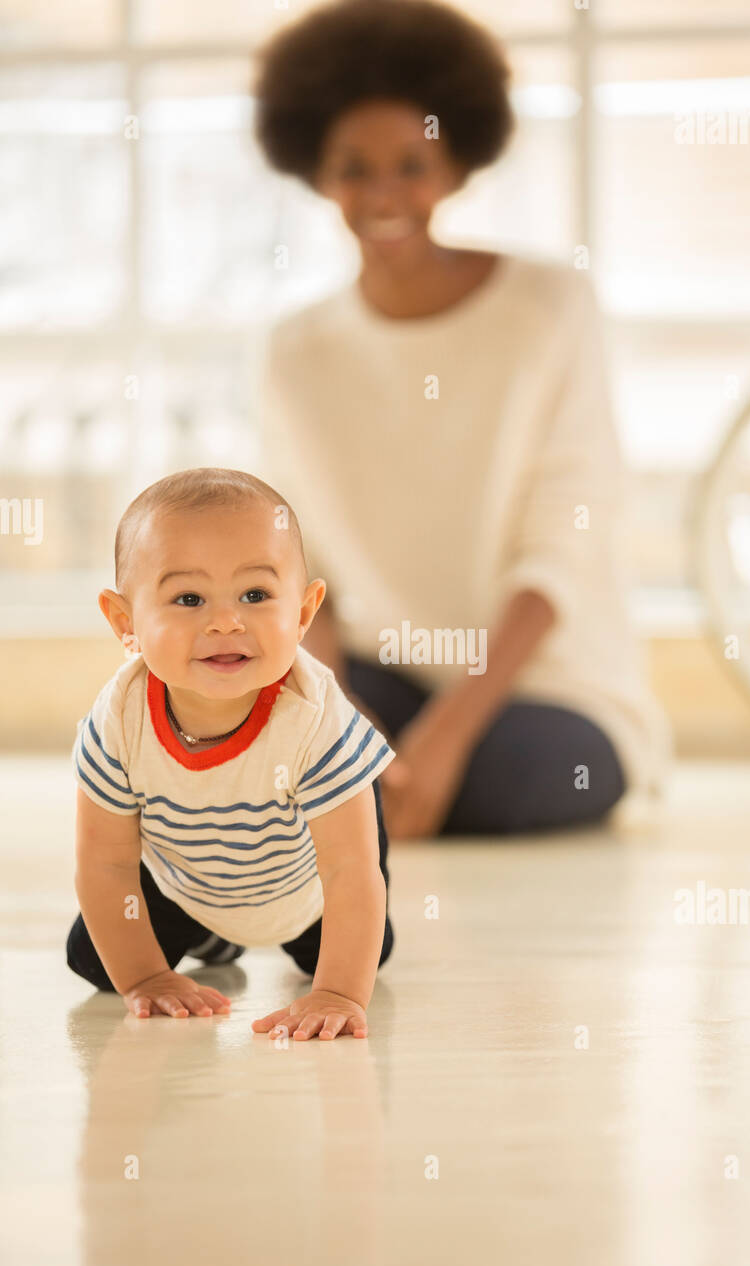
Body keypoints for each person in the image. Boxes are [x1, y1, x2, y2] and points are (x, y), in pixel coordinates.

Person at [253, 0, 671, 840]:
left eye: (411, 164)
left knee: (504, 779)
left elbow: (566, 537)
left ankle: (389, 792)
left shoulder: (549, 308)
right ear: (316, 173)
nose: (383, 194)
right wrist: (342, 722)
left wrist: (446, 734)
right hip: (379, 673)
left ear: (454, 166)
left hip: (544, 687)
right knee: (232, 742)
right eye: (353, 168)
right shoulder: (294, 350)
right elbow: (298, 562)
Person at [66, 468, 395, 1041]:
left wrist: (337, 992)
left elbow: (349, 871)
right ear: (127, 623)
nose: (225, 621)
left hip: (308, 885)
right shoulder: (120, 718)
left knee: (366, 949)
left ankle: (257, 934)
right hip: (187, 881)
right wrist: (147, 978)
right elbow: (106, 865)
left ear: (303, 611)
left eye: (256, 595)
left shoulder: (313, 716)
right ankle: (214, 932)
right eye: (188, 598)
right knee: (94, 959)